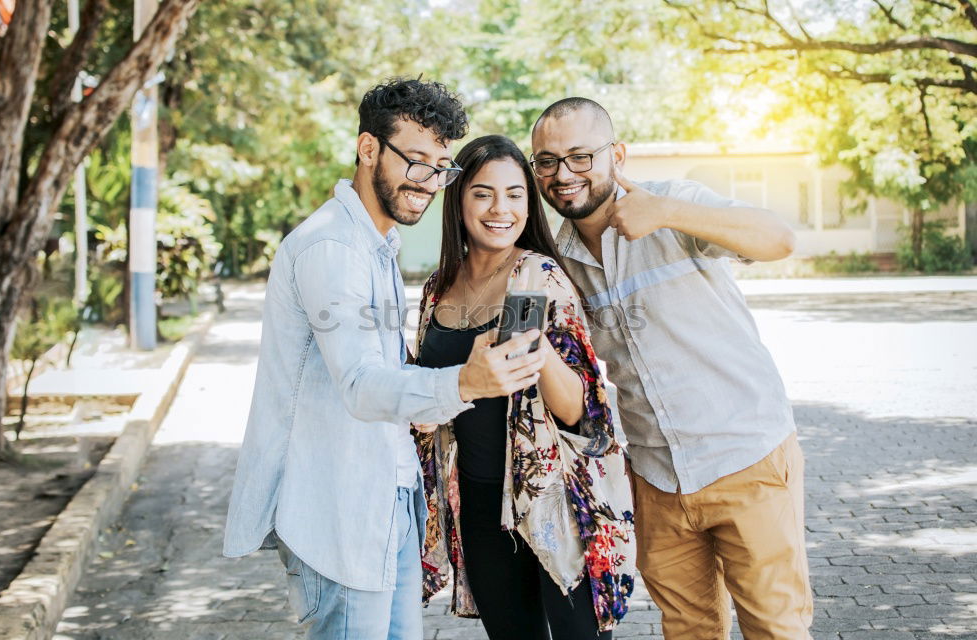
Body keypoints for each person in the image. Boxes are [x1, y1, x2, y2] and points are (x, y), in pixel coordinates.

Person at [222, 79, 549, 640]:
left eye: (440, 166)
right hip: (339, 509)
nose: (428, 181)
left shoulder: (378, 246)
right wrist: (464, 384)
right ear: (368, 148)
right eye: (415, 161)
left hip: (386, 500)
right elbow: (359, 383)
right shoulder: (334, 248)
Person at [529, 98, 812, 640]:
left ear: (618, 155)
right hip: (656, 477)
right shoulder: (558, 257)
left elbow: (779, 239)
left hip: (745, 456)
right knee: (688, 631)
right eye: (547, 160)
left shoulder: (674, 203)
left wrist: (668, 213)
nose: (563, 174)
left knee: (776, 629)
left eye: (580, 156)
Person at [413, 134, 635, 640]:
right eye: (483, 193)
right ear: (459, 199)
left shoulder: (535, 276)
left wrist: (533, 338)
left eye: (515, 194)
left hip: (548, 501)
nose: (501, 208)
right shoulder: (438, 287)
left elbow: (580, 411)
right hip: (478, 501)